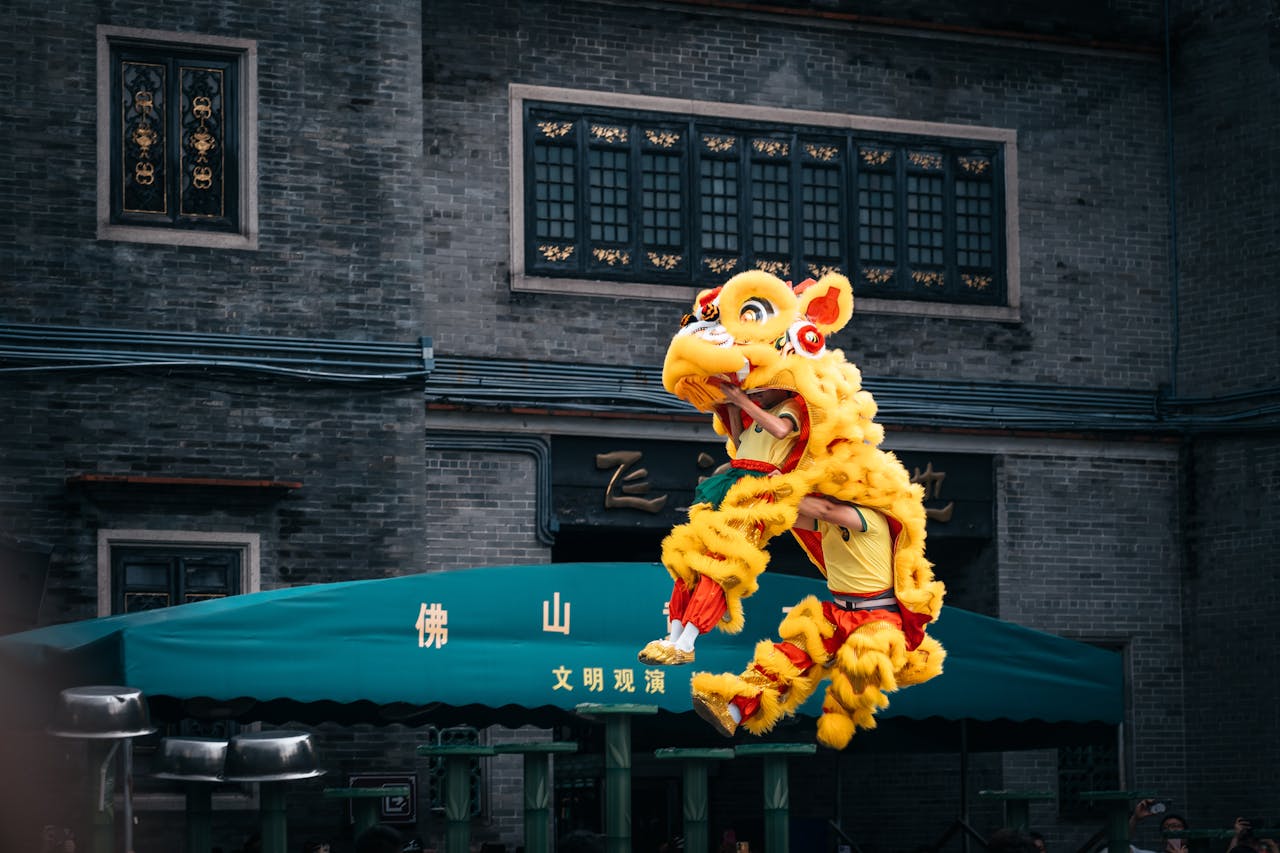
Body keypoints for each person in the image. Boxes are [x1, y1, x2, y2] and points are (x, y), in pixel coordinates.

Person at [637, 382, 804, 665]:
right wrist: (734, 410)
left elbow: (781, 431)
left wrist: (742, 400)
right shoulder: (761, 411)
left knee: (719, 565)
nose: (756, 393)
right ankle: (674, 636)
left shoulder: (791, 408)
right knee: (689, 561)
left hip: (756, 493)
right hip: (734, 482)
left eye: (762, 387)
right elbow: (742, 449)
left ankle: (687, 642)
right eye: (753, 389)